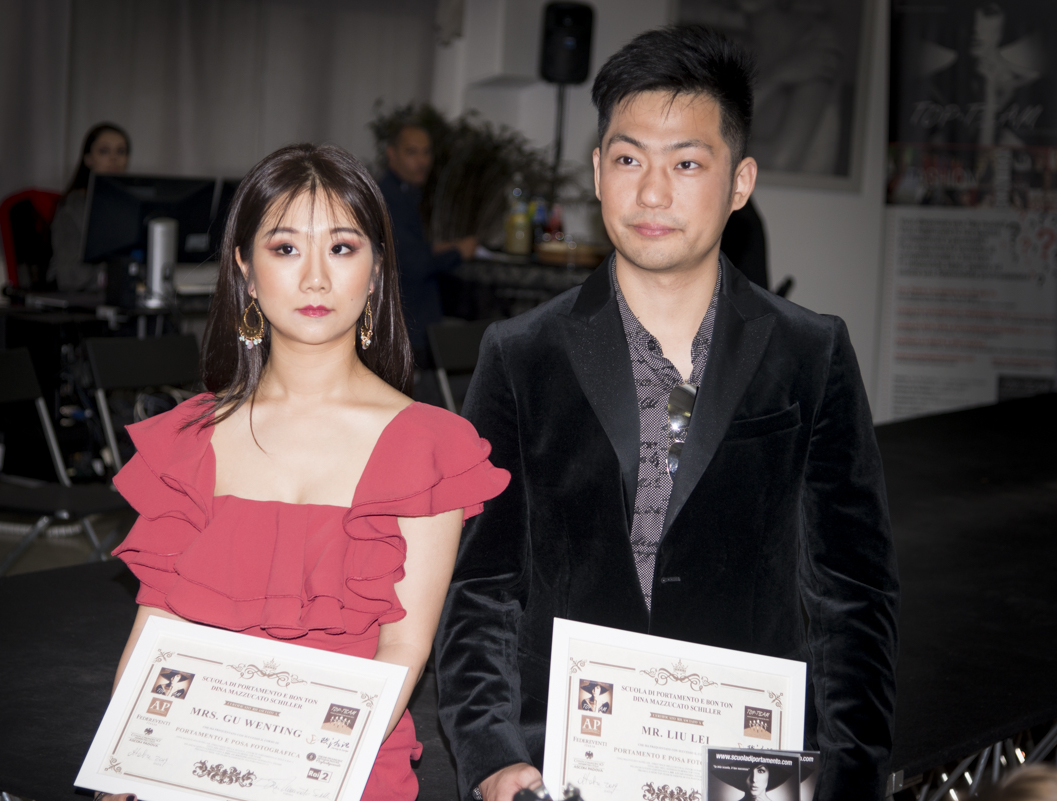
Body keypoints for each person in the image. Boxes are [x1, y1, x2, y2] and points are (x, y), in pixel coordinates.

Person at [435, 25, 898, 801]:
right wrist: (489, 754)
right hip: (566, 764)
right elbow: (482, 585)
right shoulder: (521, 354)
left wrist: (851, 778)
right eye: (628, 160)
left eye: (686, 163)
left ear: (740, 181)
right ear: (597, 171)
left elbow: (853, 594)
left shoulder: (809, 352)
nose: (652, 193)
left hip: (750, 766)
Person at [101, 143, 509, 801]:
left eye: (342, 248)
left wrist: (301, 775)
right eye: (286, 248)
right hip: (195, 762)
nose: (315, 277)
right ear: (245, 269)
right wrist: (121, 766)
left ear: (375, 272)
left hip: (340, 768)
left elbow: (402, 651)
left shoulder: (431, 445)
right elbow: (158, 630)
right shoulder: (190, 438)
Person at [376, 121, 477, 362]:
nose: (421, 161)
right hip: (406, 325)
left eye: (426, 152)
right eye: (412, 152)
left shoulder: (404, 193)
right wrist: (458, 254)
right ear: (392, 154)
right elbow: (414, 265)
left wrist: (436, 248)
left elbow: (403, 248)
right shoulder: (391, 199)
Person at [48, 123, 130, 291]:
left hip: (119, 294)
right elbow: (70, 277)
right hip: (79, 297)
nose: (114, 158)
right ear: (88, 159)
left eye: (121, 151)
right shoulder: (72, 208)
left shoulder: (128, 207)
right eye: (104, 151)